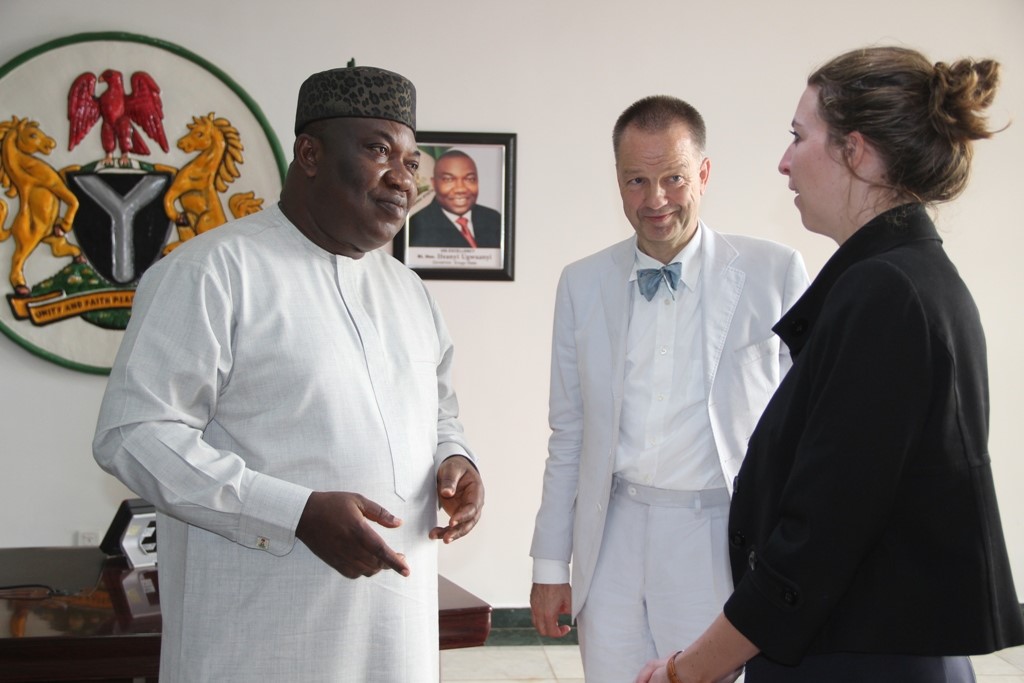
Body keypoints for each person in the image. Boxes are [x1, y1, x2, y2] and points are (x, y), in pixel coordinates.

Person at [636, 46, 1024, 683]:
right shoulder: (903, 277)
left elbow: (818, 541)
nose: (784, 161)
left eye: (799, 136)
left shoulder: (887, 294)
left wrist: (689, 671)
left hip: (861, 659)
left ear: (857, 151)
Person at [92, 65, 484, 683]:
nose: (403, 178)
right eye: (380, 150)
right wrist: (292, 512)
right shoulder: (212, 272)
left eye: (412, 161)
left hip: (395, 639)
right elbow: (134, 433)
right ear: (309, 152)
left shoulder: (409, 291)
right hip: (258, 641)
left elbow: (440, 412)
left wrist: (456, 459)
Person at [529, 95, 810, 683]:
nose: (655, 199)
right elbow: (569, 432)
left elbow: (804, 429)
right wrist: (551, 564)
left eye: (673, 178)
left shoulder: (774, 272)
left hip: (716, 532)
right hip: (612, 535)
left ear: (702, 174)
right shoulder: (581, 284)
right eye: (637, 180)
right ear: (619, 182)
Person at [409, 150, 502, 248]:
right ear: (434, 183)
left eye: (470, 179)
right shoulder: (417, 225)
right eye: (448, 179)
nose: (460, 189)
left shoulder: (494, 219)